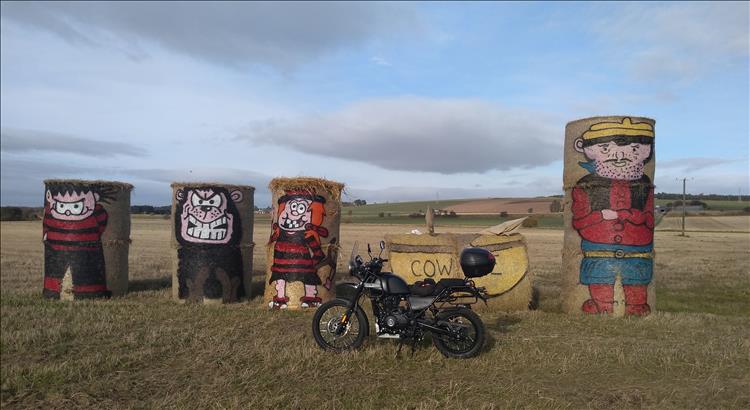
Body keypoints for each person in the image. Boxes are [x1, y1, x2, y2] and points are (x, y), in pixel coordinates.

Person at [572, 118, 655, 315]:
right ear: (590, 150)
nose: (619, 156)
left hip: (638, 249)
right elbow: (578, 220)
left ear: (647, 151)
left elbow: (650, 217)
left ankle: (635, 307)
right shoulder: (585, 185)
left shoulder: (644, 184)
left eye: (634, 149)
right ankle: (602, 305)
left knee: (636, 276)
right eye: (606, 149)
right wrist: (601, 215)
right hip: (596, 248)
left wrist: (624, 215)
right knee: (598, 275)